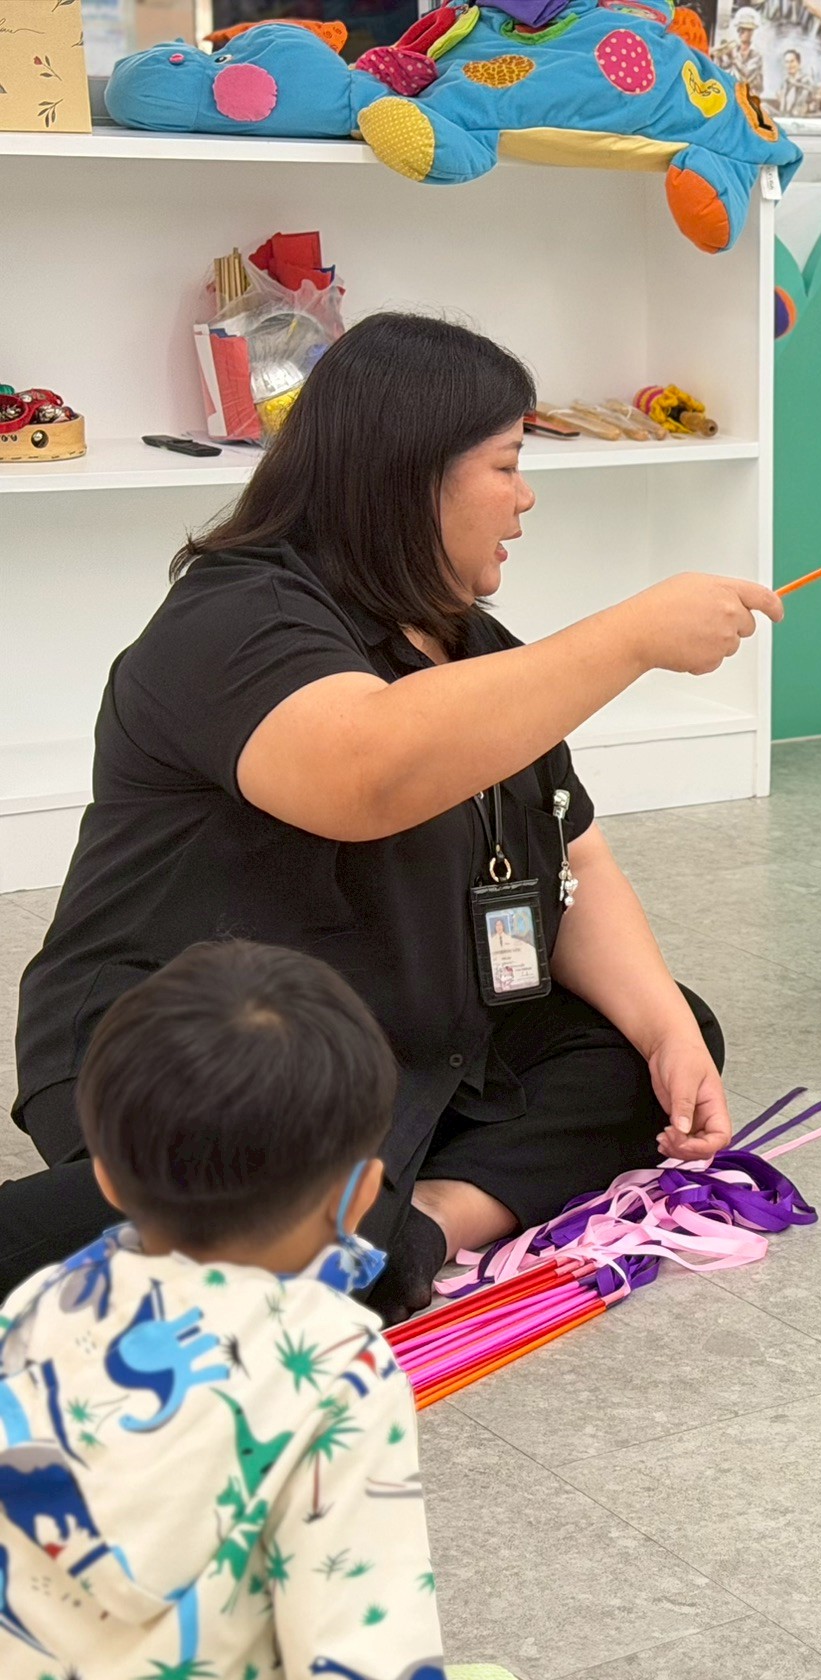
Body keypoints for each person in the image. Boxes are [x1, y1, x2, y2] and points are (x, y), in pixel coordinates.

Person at [4, 313, 781, 1318]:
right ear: (411, 476)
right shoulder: (235, 617)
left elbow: (574, 851)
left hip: (391, 1038)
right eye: (507, 465)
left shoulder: (477, 646)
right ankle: (308, 1221)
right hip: (200, 1047)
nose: (526, 496)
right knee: (261, 1172)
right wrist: (632, 636)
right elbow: (363, 774)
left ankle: (416, 1226)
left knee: (655, 1039)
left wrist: (667, 1029)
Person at [0, 942, 561, 1680]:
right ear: (361, 1197)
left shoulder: (36, 1309)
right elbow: (363, 1671)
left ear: (107, 1176)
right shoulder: (338, 1371)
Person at [714, 5, 765, 102]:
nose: (740, 32)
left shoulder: (756, 55)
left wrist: (733, 58)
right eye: (739, 29)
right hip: (733, 94)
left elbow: (747, 75)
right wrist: (718, 58)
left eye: (745, 30)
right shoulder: (734, 49)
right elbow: (722, 70)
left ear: (751, 32)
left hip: (750, 97)